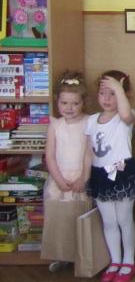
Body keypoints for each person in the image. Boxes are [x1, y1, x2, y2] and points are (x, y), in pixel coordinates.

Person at [86, 71, 135, 282]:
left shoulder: (126, 117)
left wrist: (118, 89)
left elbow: (126, 115)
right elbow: (88, 152)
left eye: (113, 93)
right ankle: (115, 261)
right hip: (100, 176)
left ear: (124, 94)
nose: (107, 98)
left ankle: (128, 261)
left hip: (122, 174)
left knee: (124, 219)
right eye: (103, 93)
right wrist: (84, 176)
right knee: (109, 221)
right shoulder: (91, 120)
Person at [44, 71, 91, 273]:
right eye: (64, 103)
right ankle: (62, 255)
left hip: (81, 178)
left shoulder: (89, 122)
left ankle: (84, 256)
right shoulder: (55, 125)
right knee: (60, 220)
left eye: (75, 103)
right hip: (60, 178)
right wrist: (58, 179)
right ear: (57, 102)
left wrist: (83, 178)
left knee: (81, 218)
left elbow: (89, 154)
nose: (69, 108)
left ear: (83, 103)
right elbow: (50, 156)